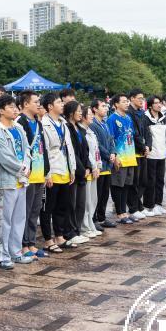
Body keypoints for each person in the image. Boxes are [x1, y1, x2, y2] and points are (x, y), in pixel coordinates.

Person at [0, 94, 31, 269]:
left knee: (19, 218)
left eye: (15, 106)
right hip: (6, 181)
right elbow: (4, 157)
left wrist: (27, 167)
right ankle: (3, 255)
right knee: (3, 220)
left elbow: (27, 149)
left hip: (22, 180)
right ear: (0, 111)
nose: (15, 110)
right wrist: (22, 169)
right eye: (11, 107)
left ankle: (16, 252)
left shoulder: (18, 128)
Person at [41, 92, 79, 251]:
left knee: (62, 206)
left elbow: (69, 148)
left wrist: (72, 169)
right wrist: (47, 173)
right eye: (58, 102)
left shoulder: (63, 123)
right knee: (48, 207)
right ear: (50, 106)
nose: (62, 104)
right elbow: (44, 150)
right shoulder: (43, 124)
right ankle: (48, 239)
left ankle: (59, 236)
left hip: (64, 168)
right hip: (52, 169)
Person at [17, 92, 48, 261]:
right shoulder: (20, 122)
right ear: (25, 104)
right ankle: (23, 245)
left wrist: (46, 171)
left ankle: (31, 242)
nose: (39, 104)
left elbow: (43, 147)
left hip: (39, 173)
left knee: (35, 210)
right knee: (25, 211)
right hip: (27, 175)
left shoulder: (37, 122)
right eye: (35, 102)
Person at [106, 94, 139, 225]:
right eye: (124, 101)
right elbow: (110, 139)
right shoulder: (112, 119)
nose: (127, 103)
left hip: (130, 156)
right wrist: (115, 156)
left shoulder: (128, 118)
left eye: (127, 101)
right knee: (118, 185)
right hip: (120, 158)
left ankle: (125, 212)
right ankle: (119, 213)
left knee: (126, 186)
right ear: (116, 104)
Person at [67, 102, 98, 239]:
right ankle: (72, 232)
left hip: (83, 170)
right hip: (75, 171)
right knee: (72, 204)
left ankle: (78, 230)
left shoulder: (80, 129)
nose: (81, 113)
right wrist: (82, 169)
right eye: (78, 111)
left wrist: (88, 166)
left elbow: (85, 150)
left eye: (81, 111)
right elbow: (72, 152)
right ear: (71, 113)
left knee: (81, 203)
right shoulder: (68, 128)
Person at [87, 100, 116, 228]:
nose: (106, 108)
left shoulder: (104, 123)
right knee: (97, 195)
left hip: (108, 164)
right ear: (95, 109)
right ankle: (94, 219)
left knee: (105, 194)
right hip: (100, 164)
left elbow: (111, 140)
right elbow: (97, 144)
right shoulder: (93, 125)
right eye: (103, 106)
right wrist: (108, 155)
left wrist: (113, 152)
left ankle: (102, 217)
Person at [126, 91, 151, 217]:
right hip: (134, 152)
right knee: (134, 182)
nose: (142, 100)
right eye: (139, 98)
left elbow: (147, 132)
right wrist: (143, 146)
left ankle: (139, 205)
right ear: (132, 98)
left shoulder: (142, 114)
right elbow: (134, 133)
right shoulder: (129, 113)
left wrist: (148, 146)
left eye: (143, 98)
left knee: (143, 181)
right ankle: (133, 208)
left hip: (143, 151)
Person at [142, 96, 166, 216]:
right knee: (150, 181)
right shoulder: (145, 118)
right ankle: (149, 205)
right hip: (151, 154)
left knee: (160, 181)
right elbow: (146, 136)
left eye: (160, 103)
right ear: (150, 105)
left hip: (162, 154)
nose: (159, 105)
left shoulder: (164, 118)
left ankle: (158, 204)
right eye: (156, 103)